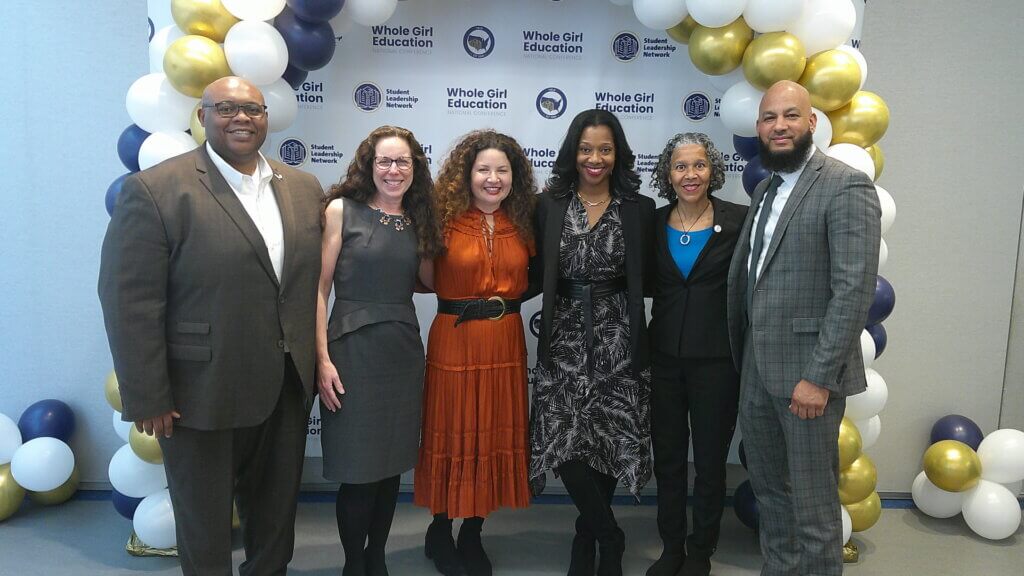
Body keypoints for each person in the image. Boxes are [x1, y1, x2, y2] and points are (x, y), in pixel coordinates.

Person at [98, 76, 324, 575]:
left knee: (275, 518)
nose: (241, 117)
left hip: (284, 386)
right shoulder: (156, 190)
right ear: (202, 117)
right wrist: (148, 394)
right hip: (198, 392)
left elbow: (307, 287)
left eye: (253, 108)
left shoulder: (305, 189)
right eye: (226, 107)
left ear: (268, 117)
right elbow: (129, 300)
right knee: (203, 524)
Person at [726, 81, 881, 576]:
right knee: (771, 496)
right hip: (756, 372)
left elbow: (853, 290)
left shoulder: (845, 184)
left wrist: (819, 377)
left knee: (813, 508)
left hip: (807, 380)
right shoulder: (767, 189)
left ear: (811, 123)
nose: (779, 126)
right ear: (759, 128)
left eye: (791, 116)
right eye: (770, 118)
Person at [530, 109, 656, 576]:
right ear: (572, 153)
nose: (595, 158)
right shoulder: (549, 204)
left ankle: (586, 541)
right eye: (586, 149)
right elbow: (530, 268)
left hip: (618, 333)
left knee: (605, 434)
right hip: (562, 332)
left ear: (617, 153)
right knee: (562, 439)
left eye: (605, 149)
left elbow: (652, 276)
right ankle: (609, 534)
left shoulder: (638, 208)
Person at [316, 126, 443, 576]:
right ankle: (354, 562)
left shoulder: (418, 218)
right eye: (385, 161)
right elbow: (320, 289)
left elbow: (431, 282)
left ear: (415, 169)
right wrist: (322, 359)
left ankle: (376, 558)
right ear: (369, 166)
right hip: (350, 351)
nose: (394, 170)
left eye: (403, 161)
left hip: (402, 351)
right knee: (359, 469)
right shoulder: (340, 211)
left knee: (390, 468)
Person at [413, 130, 538, 576]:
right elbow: (423, 278)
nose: (492, 179)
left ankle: (472, 532)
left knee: (492, 433)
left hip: (505, 340)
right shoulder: (441, 220)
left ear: (514, 177)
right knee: (452, 427)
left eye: (502, 170)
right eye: (483, 169)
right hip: (455, 337)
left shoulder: (525, 221)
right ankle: (440, 527)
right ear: (466, 175)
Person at [647, 133, 747, 576]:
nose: (691, 175)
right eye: (681, 167)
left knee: (709, 462)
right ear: (667, 174)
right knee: (668, 459)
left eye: (699, 165)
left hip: (717, 362)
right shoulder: (651, 222)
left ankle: (700, 551)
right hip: (663, 359)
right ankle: (671, 547)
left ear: (714, 170)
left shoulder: (740, 220)